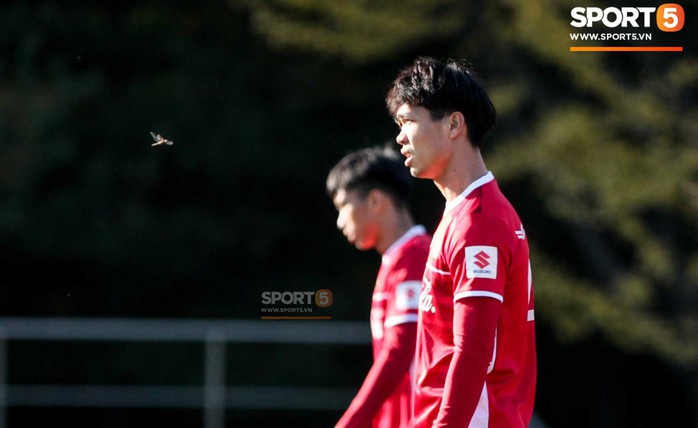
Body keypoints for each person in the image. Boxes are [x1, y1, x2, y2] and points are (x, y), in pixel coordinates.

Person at [385, 57, 537, 427]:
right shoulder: (465, 213)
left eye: (408, 122)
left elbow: (473, 352)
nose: (400, 137)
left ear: (454, 123)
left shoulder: (478, 223)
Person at [327, 145, 431, 428]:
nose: (340, 221)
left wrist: (354, 419)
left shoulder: (416, 256)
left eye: (343, 206)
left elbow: (400, 350)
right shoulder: (396, 259)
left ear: (375, 200)